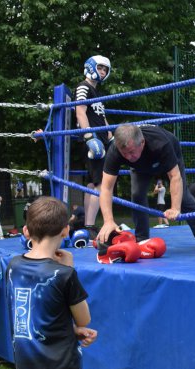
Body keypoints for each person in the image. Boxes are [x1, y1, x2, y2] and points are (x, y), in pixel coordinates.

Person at [6, 196, 97, 369]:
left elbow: (29, 316)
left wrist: (70, 331)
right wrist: (69, 268)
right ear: (66, 230)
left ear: (26, 231)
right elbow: (84, 318)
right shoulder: (64, 274)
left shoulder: (13, 266)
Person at [98, 124, 195, 250]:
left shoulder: (160, 143)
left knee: (183, 197)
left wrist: (175, 208)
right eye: (124, 153)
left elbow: (175, 176)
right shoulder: (115, 150)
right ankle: (142, 240)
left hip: (167, 161)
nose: (128, 157)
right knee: (137, 195)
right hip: (141, 168)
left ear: (142, 142)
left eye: (131, 152)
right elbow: (106, 188)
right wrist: (108, 221)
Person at [75, 55, 114, 237]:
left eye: (105, 69)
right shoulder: (83, 87)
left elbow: (101, 116)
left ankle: (87, 225)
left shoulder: (97, 92)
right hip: (93, 140)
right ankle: (90, 226)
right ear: (90, 67)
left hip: (101, 139)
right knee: (100, 183)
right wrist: (89, 136)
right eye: (100, 68)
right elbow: (80, 112)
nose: (103, 71)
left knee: (92, 183)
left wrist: (110, 134)